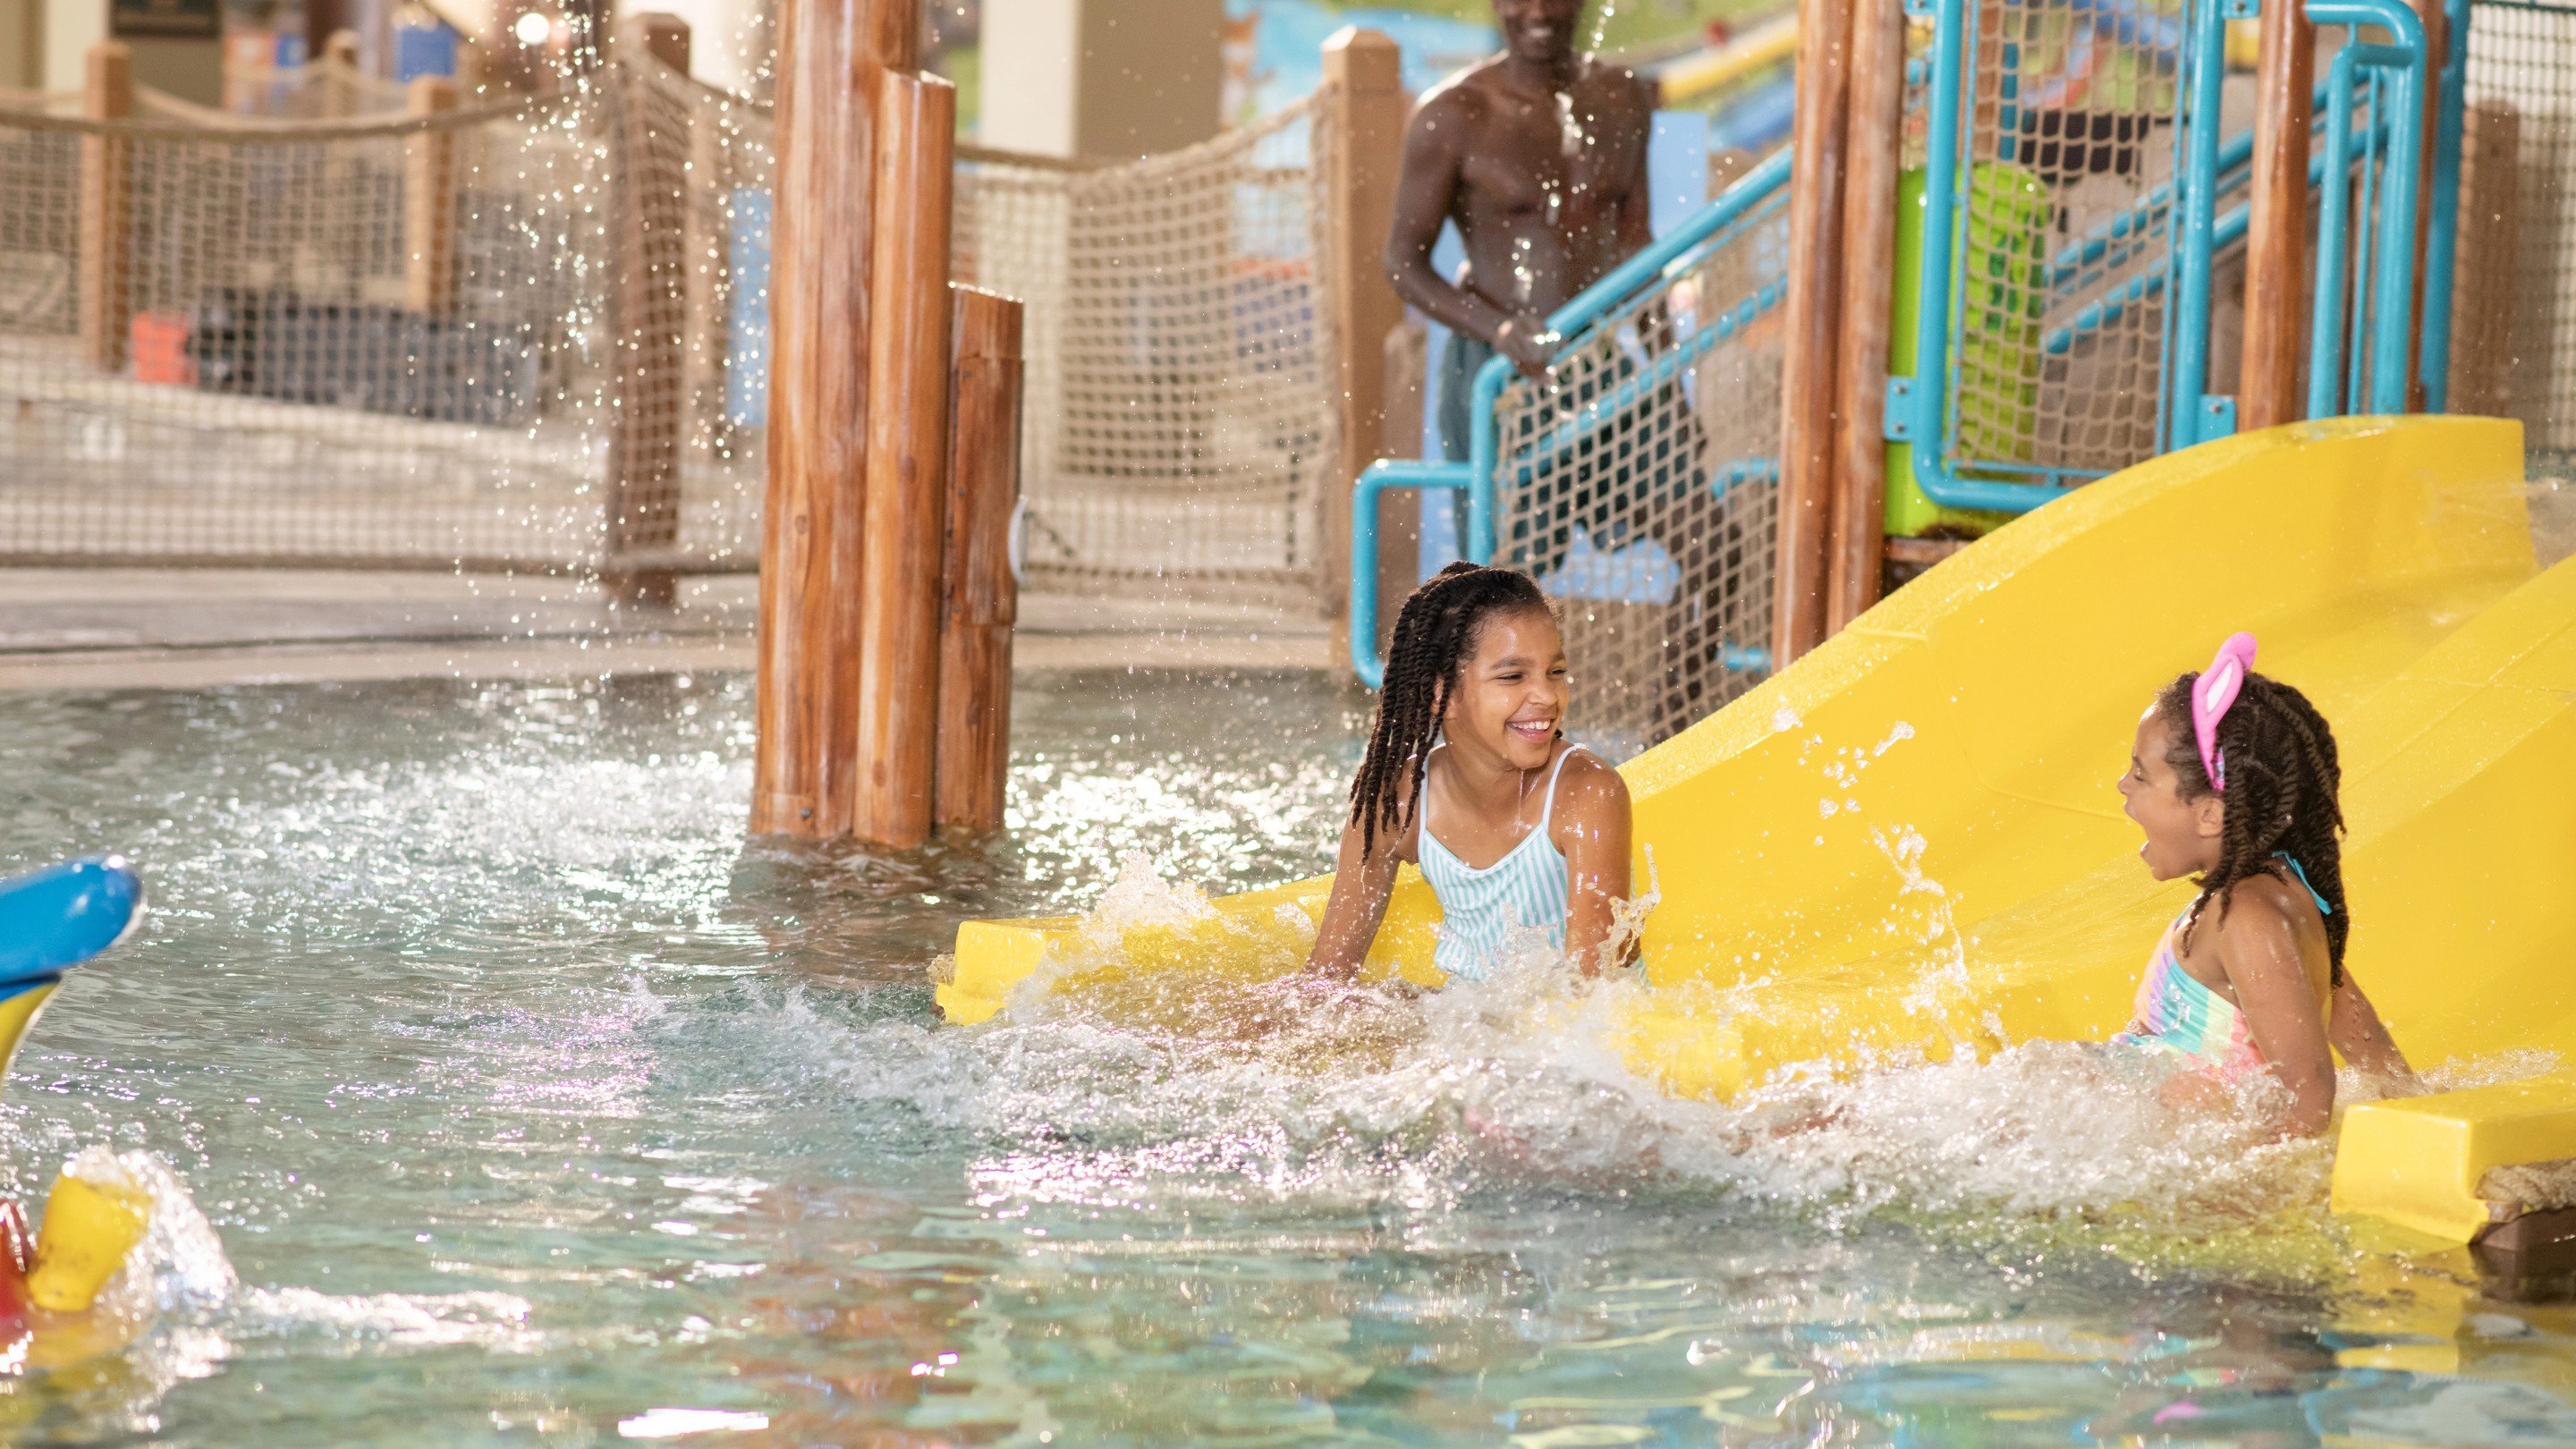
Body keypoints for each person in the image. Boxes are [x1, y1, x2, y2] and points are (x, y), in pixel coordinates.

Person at [2112, 632, 2414, 1135]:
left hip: (2149, 1137)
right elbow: (2372, 1050)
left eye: (2141, 775)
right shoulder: (2286, 898)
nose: (2123, 784)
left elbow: (2311, 1087)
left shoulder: (2245, 916)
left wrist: (2252, 1201)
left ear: (2210, 814)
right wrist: (2421, 1127)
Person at [1305, 564, 1635, 982]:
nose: (1548, 695)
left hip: (1562, 1032)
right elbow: (1324, 980)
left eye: (1556, 672)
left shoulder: (1585, 794)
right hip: (1465, 1022)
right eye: (1513, 676)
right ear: (1442, 694)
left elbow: (1590, 996)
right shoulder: (1400, 802)